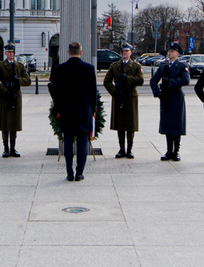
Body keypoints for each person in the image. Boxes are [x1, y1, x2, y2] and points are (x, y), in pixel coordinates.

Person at [50, 41, 97, 181]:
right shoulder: (89, 68)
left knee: (68, 140)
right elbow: (93, 92)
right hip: (84, 110)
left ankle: (69, 173)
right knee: (83, 141)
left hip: (66, 110)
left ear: (68, 52)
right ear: (80, 52)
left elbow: (56, 92)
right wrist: (93, 109)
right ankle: (80, 173)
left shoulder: (59, 69)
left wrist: (58, 109)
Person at [150, 42, 190, 161]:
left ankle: (176, 151)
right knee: (167, 125)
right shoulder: (163, 66)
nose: (169, 53)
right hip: (166, 97)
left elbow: (185, 80)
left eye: (172, 51)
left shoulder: (182, 65)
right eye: (169, 51)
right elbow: (153, 80)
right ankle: (169, 150)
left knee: (177, 125)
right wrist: (157, 93)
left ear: (177, 53)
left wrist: (169, 82)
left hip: (177, 97)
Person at [0, 43, 31, 158]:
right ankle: (6, 148)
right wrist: (5, 91)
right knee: (5, 123)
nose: (11, 54)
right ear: (5, 53)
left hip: (15, 96)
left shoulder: (19, 66)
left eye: (12, 52)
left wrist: (18, 81)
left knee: (14, 123)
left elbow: (28, 81)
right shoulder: (0, 66)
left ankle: (13, 148)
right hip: (4, 96)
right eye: (9, 52)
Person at [104, 43, 144, 159]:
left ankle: (129, 150)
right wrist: (114, 92)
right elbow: (107, 81)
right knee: (120, 124)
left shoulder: (136, 66)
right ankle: (121, 149)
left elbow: (140, 80)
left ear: (131, 52)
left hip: (130, 97)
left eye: (127, 51)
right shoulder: (115, 66)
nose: (125, 53)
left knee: (130, 124)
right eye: (123, 51)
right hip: (119, 96)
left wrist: (128, 79)